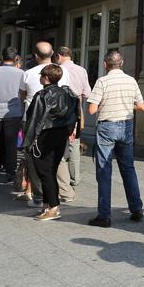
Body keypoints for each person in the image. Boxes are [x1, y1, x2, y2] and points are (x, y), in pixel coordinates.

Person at [86, 50, 144, 228]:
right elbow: (141, 106)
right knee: (128, 168)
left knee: (104, 170)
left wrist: (105, 103)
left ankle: (104, 215)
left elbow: (91, 109)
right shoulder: (131, 80)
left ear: (105, 64)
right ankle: (136, 208)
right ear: (122, 63)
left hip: (107, 127)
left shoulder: (102, 81)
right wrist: (126, 104)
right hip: (126, 126)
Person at [22, 64, 79, 221]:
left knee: (44, 172)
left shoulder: (42, 95)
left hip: (44, 136)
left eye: (41, 75)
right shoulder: (67, 93)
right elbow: (74, 114)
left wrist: (28, 140)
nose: (40, 77)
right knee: (50, 170)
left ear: (46, 77)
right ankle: (47, 206)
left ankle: (53, 207)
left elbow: (33, 119)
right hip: (60, 135)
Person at [0, 47, 24, 186]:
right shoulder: (21, 73)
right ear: (15, 59)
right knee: (11, 143)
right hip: (13, 111)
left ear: (2, 57)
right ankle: (10, 173)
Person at [56, 46, 92, 188]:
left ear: (59, 56)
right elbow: (87, 93)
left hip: (59, 110)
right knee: (74, 144)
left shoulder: (56, 69)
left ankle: (61, 177)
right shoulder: (81, 70)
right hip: (76, 110)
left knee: (58, 144)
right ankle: (74, 177)